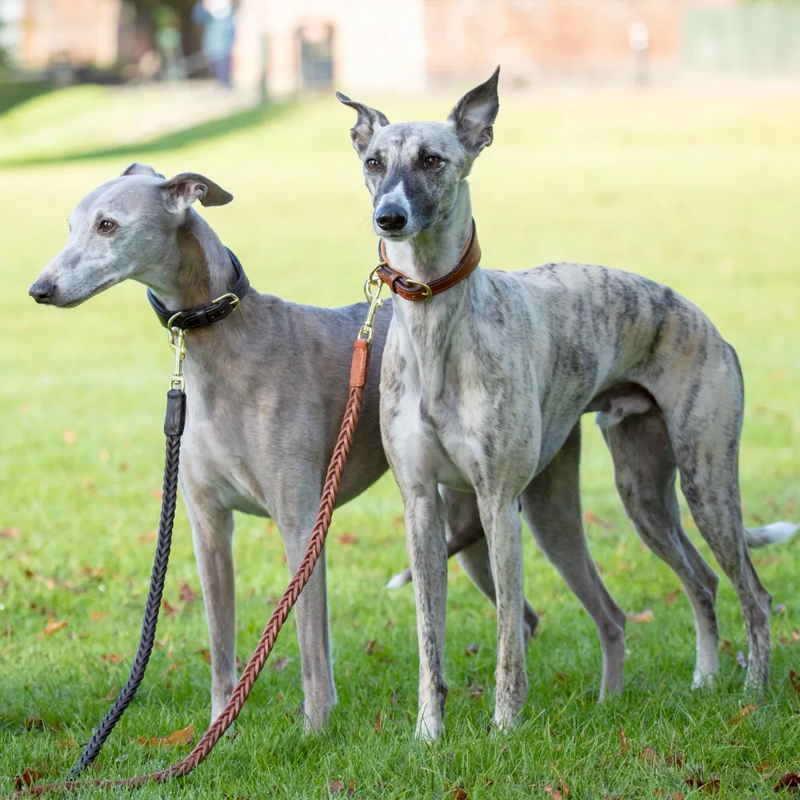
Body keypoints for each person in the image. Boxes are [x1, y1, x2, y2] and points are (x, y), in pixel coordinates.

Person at [192, 0, 235, 88]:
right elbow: (197, 17)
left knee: (223, 62)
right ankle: (221, 83)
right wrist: (205, 6)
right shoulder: (207, 6)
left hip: (224, 42)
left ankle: (225, 84)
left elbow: (231, 25)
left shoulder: (227, 7)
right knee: (214, 60)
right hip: (212, 41)